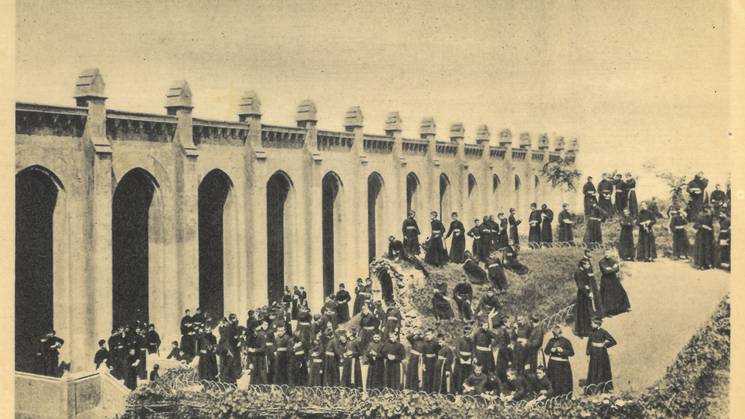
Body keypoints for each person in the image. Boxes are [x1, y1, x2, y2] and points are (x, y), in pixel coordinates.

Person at [585, 318, 617, 394]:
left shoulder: (603, 332)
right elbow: (589, 343)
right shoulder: (591, 332)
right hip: (593, 355)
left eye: (593, 323)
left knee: (601, 370)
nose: (591, 325)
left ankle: (602, 388)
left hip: (602, 355)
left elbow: (613, 341)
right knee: (593, 370)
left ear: (597, 324)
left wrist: (605, 344)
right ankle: (592, 389)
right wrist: (588, 353)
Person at [544, 325, 574, 396]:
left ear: (560, 333)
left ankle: (563, 397)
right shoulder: (551, 341)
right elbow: (546, 351)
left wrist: (563, 351)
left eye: (556, 334)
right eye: (554, 334)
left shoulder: (566, 341)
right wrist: (550, 350)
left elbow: (572, 353)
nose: (555, 336)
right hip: (552, 364)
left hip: (563, 365)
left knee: (563, 382)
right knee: (553, 381)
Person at [598, 250, 631, 316]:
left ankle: (622, 308)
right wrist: (613, 268)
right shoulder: (601, 262)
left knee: (619, 292)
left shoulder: (613, 260)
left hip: (613, 279)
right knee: (607, 296)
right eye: (605, 253)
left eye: (608, 253)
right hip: (606, 280)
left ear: (610, 254)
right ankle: (608, 312)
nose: (607, 254)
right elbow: (605, 271)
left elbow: (617, 269)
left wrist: (610, 269)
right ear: (603, 254)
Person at [574, 258, 597, 338]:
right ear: (583, 265)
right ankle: (582, 332)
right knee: (582, 313)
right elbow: (580, 286)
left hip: (586, 294)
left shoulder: (584, 271)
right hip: (582, 296)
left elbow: (586, 283)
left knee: (587, 313)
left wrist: (589, 290)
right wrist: (588, 293)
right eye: (587, 264)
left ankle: (587, 330)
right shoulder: (578, 272)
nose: (588, 265)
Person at [452, 326, 474, 394]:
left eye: (469, 334)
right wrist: (460, 359)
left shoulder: (471, 341)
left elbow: (473, 350)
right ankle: (458, 392)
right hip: (460, 360)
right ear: (464, 333)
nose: (468, 335)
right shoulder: (459, 339)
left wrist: (470, 359)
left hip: (468, 361)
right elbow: (457, 350)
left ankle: (466, 392)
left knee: (467, 376)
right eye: (466, 334)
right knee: (459, 376)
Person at [693, 205, 715, 269]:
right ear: (705, 209)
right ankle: (700, 265)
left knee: (708, 249)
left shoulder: (710, 217)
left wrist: (712, 232)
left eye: (710, 209)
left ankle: (707, 264)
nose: (709, 211)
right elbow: (695, 226)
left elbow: (711, 226)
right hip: (701, 235)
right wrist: (702, 226)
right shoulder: (700, 216)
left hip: (708, 235)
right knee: (701, 249)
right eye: (708, 209)